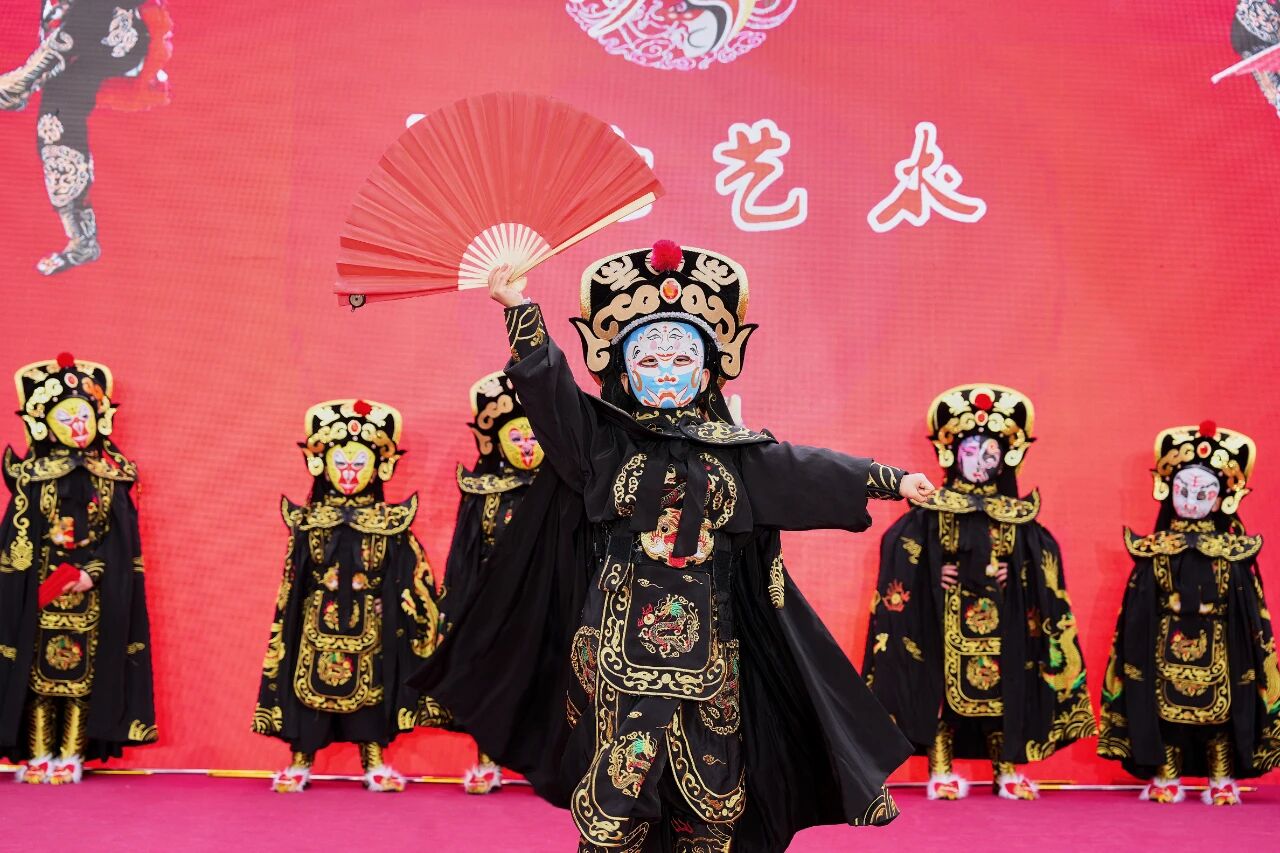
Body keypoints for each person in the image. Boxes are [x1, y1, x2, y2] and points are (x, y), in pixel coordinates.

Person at [412, 240, 933, 852]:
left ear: (707, 373)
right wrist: (518, 309)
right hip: (617, 645)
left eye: (681, 358)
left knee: (713, 795)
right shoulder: (602, 446)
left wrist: (893, 481)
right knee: (619, 797)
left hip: (713, 647)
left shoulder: (738, 455)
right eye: (649, 357)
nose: (665, 370)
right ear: (624, 370)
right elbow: (551, 397)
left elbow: (806, 470)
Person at [863, 384, 1095, 800]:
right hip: (943, 620)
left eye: (989, 453)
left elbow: (1044, 561)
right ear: (952, 453)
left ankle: (1006, 769)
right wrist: (933, 573)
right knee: (940, 693)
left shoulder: (1017, 516)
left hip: (1005, 622)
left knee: (1007, 692)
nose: (979, 462)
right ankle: (940, 768)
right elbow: (900, 549)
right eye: (970, 451)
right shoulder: (932, 508)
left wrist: (1018, 575)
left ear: (1006, 457)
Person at [250, 399, 444, 793]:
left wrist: (406, 611)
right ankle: (301, 759)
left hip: (372, 622)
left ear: (380, 467)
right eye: (340, 462)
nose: (349, 472)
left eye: (359, 463)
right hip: (315, 623)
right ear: (321, 465)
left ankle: (373, 759)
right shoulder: (308, 521)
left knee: (372, 692)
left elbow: (411, 578)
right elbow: (292, 585)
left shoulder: (390, 524)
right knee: (306, 689)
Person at [1097, 421, 1280, 805]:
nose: (1191, 501)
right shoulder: (1155, 549)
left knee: (1220, 719)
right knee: (1165, 715)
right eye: (1183, 491)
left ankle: (1221, 778)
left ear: (1220, 500)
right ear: (1167, 491)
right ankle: (1166, 776)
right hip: (1165, 647)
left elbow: (1247, 607)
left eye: (1202, 493)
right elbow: (1140, 605)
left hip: (1220, 649)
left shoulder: (1232, 552)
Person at [0, 353, 156, 784]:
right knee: (36, 677)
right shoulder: (32, 478)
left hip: (93, 593)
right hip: (41, 593)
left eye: (83, 415)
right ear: (44, 425)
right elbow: (17, 541)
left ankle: (72, 753)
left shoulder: (110, 477)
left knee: (85, 678)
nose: (77, 425)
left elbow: (120, 543)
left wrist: (92, 572)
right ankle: (37, 752)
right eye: (66, 417)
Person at [0, 1, 173, 274]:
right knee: (54, 124)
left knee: (93, 11)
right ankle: (82, 240)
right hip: (76, 55)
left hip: (119, 32)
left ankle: (22, 82)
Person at [442, 370, 544, 794]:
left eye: (533, 437)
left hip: (547, 602)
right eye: (516, 437)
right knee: (493, 680)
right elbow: (465, 556)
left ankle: (545, 766)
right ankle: (488, 759)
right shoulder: (483, 492)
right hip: (495, 609)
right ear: (495, 441)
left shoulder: (564, 488)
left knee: (549, 682)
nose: (526, 446)